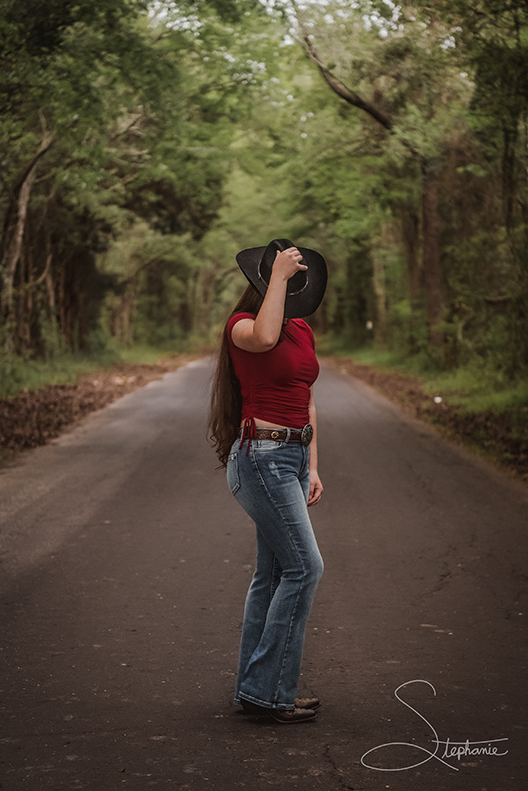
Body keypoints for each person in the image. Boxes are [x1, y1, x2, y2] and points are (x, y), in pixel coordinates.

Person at [208, 238, 328, 724]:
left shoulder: (301, 330)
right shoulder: (242, 327)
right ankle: (267, 691)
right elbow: (263, 338)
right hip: (261, 457)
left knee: (274, 575)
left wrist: (313, 464)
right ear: (266, 280)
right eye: (282, 277)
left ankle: (257, 688)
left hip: (293, 457)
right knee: (306, 567)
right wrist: (275, 276)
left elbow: (308, 398)